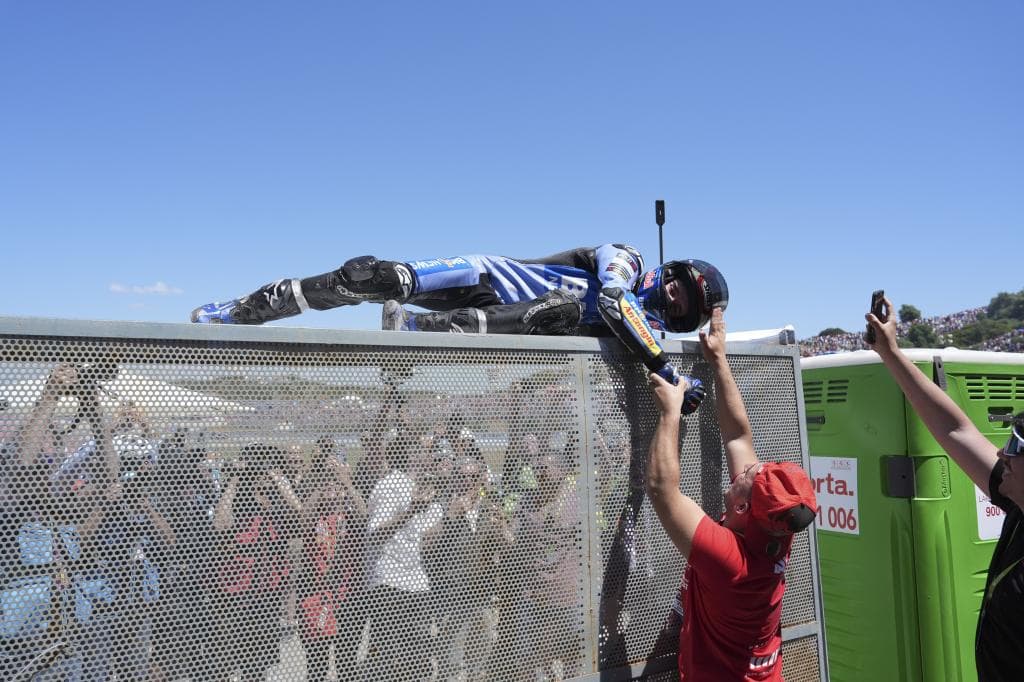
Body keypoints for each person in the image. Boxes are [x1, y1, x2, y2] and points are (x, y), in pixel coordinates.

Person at [190, 244, 727, 390]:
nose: (672, 297)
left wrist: (677, 373)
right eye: (677, 285)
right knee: (372, 277)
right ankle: (245, 309)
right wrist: (668, 371)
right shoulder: (626, 260)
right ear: (668, 270)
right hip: (487, 277)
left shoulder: (650, 336)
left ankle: (418, 329)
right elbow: (615, 303)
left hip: (514, 325)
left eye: (683, 304)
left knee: (563, 313)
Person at [646, 308, 817, 681]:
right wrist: (719, 359)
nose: (750, 466)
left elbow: (661, 490)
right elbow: (738, 437)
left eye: (753, 475)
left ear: (742, 506)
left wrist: (670, 413)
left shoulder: (731, 560)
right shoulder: (774, 528)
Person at [866, 296, 1024, 682]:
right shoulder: (1017, 502)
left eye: (1016, 445)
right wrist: (890, 353)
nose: (1002, 453)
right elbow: (956, 430)